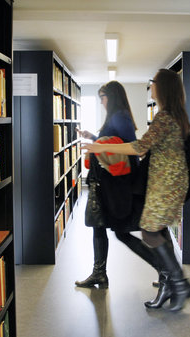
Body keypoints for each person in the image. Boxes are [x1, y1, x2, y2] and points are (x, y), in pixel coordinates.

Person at [82, 69, 190, 312]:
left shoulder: (164, 117)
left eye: (153, 82)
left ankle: (178, 283)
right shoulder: (175, 115)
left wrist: (97, 145)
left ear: (162, 87)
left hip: (164, 183)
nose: (151, 85)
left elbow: (140, 147)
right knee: (153, 230)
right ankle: (173, 283)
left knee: (150, 232)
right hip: (168, 182)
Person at [75, 81, 160, 290]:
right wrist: (93, 138)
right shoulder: (117, 116)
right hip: (104, 180)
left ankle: (165, 269)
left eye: (102, 97)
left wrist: (96, 145)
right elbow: (114, 142)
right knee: (99, 225)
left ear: (110, 97)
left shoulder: (120, 116)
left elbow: (132, 147)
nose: (101, 101)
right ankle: (99, 273)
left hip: (114, 182)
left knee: (121, 230)